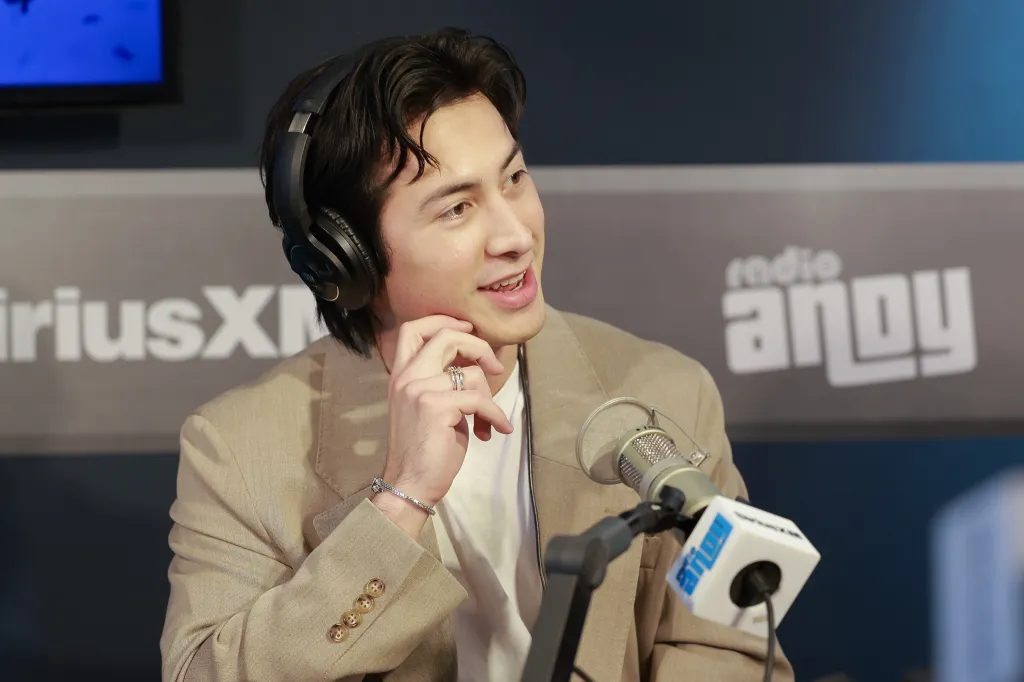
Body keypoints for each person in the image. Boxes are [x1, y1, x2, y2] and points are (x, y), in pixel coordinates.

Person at [159, 27, 794, 682]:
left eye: (514, 178)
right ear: (345, 262)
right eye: (458, 208)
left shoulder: (665, 390)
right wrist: (400, 500)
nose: (517, 234)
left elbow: (723, 649)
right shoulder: (237, 446)